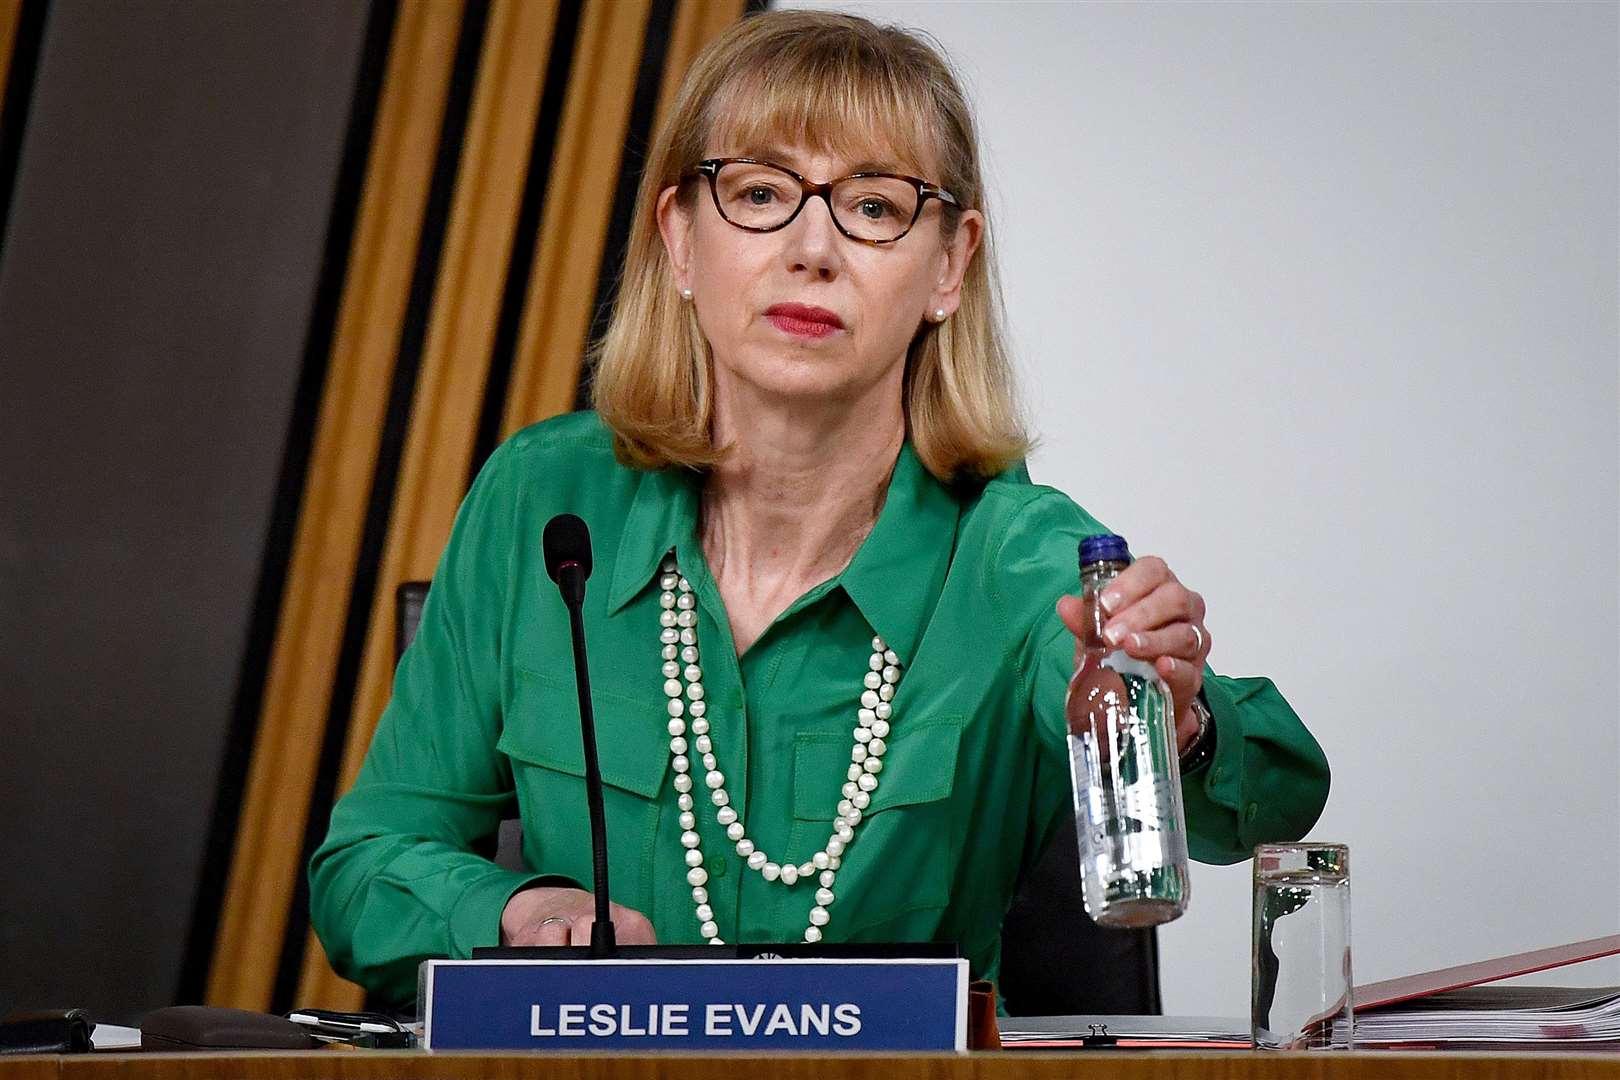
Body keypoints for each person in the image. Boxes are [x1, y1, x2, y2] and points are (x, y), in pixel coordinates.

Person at [310, 9, 1330, 1005]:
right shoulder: (544, 500)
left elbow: (1276, 798)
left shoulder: (1017, 554)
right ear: (677, 237)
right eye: (760, 193)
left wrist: (1179, 719)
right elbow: (363, 868)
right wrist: (517, 909)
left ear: (947, 266)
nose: (812, 248)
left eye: (875, 207)